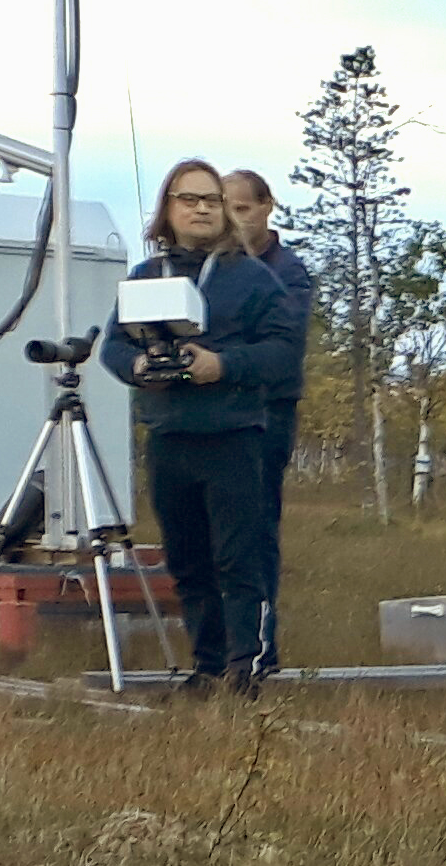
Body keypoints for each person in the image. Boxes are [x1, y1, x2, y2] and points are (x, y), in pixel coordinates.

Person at [104, 159, 300, 691]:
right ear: (168, 209)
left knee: (240, 557)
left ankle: (247, 665)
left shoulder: (253, 279)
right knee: (187, 561)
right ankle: (207, 665)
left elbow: (285, 353)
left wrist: (223, 366)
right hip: (168, 434)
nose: (201, 209)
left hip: (234, 436)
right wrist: (139, 368)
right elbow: (113, 347)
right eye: (188, 199)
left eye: (211, 200)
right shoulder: (146, 277)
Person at [220, 170, 315, 616]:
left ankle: (259, 642)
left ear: (266, 207)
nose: (233, 219)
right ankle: (221, 642)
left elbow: (281, 345)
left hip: (265, 413)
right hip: (216, 410)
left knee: (255, 527)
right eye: (226, 209)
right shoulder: (213, 267)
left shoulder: (287, 271)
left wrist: (223, 354)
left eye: (241, 208)